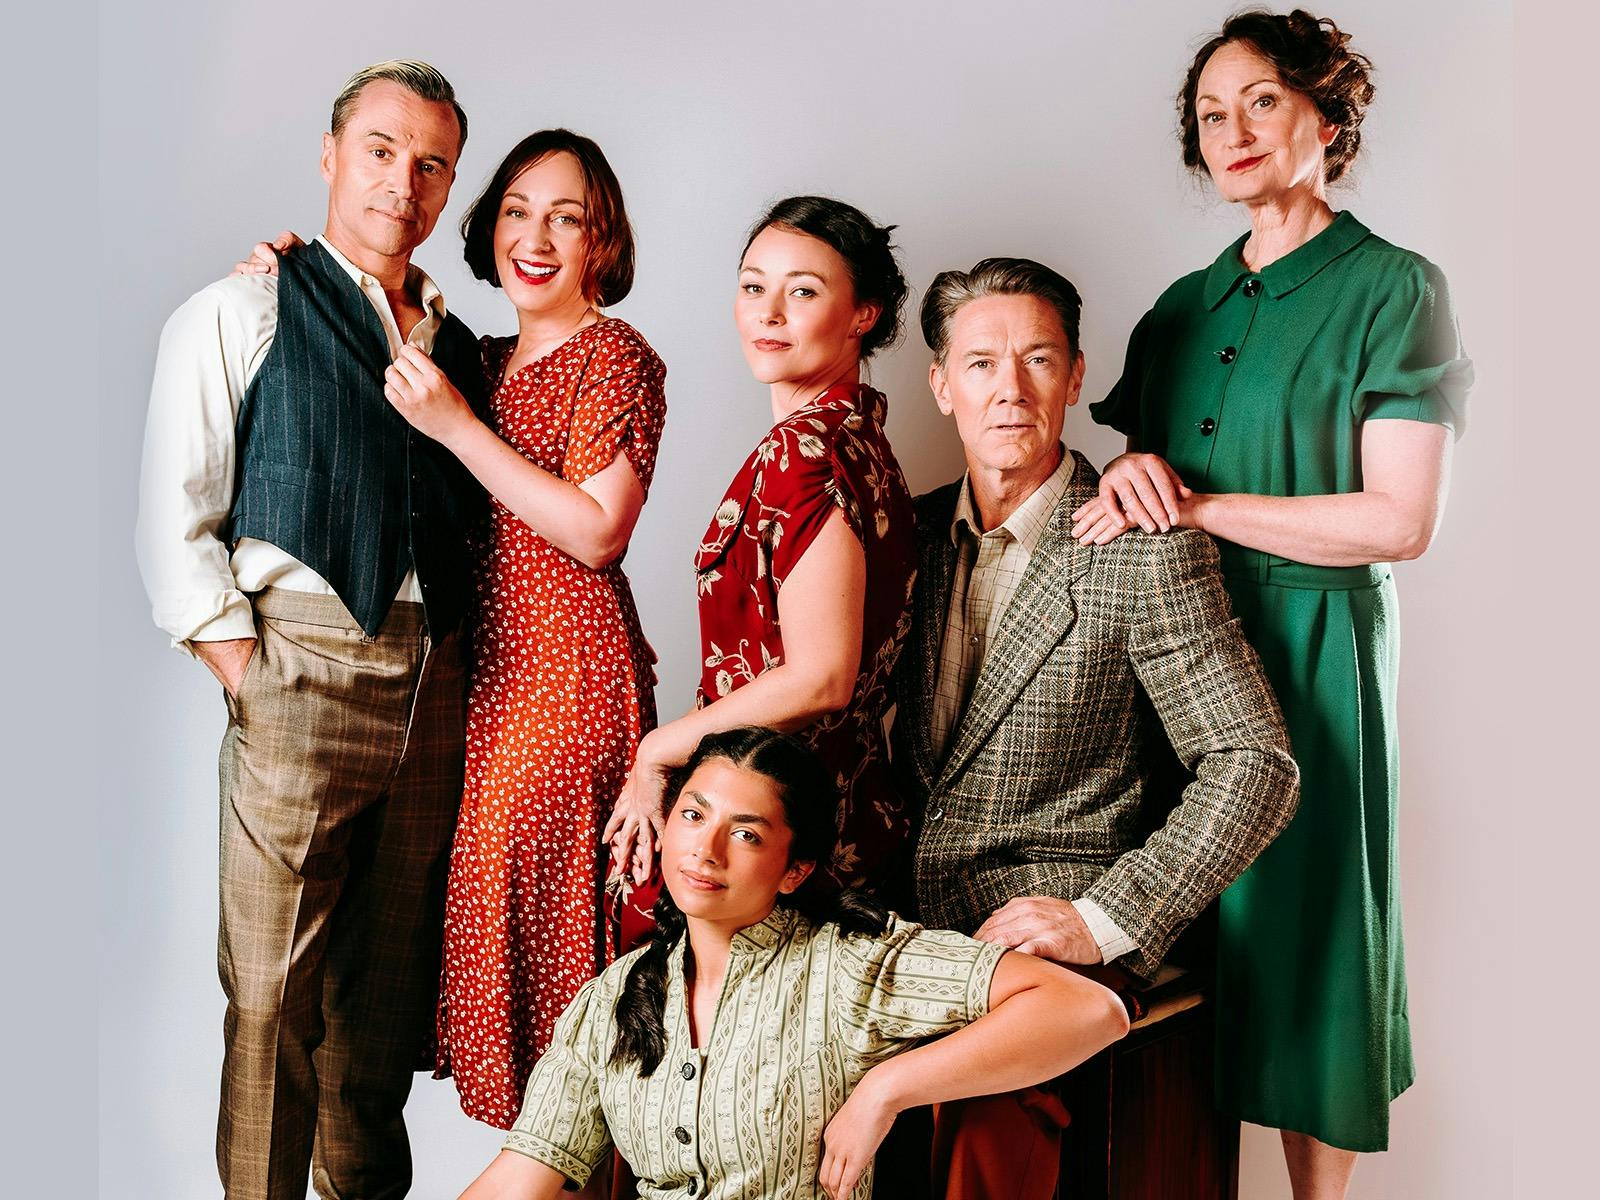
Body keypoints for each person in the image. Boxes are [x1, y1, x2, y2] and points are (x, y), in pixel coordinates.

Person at [1079, 11, 1472, 1197]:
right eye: (1210, 115)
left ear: (1326, 116)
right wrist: (1137, 486)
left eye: (1259, 101)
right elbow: (1122, 494)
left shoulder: (1394, 288)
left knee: (1310, 949)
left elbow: (1397, 522)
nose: (1232, 132)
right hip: (1171, 648)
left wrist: (1197, 509)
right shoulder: (1177, 310)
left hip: (1313, 646)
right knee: (1179, 936)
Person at [234, 129, 668, 1130]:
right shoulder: (481, 355)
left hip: (566, 678)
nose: (537, 235)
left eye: (569, 217)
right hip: (479, 680)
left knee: (556, 941)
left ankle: (578, 1164)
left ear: (604, 243)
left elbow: (599, 533)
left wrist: (457, 429)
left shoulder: (616, 357)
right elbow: (371, 332)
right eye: (517, 210)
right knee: (485, 931)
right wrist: (292, 276)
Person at [135, 61, 485, 1199]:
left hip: (434, 689)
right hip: (298, 665)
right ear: (331, 157)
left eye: (431, 162)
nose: (405, 181)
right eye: (382, 150)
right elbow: (173, 518)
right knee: (272, 1004)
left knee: (378, 1014)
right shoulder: (242, 306)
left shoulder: (462, 342)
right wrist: (246, 666)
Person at [897, 256, 1301, 1199]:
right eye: (983, 363)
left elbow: (1256, 763)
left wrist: (1104, 919)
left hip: (1051, 942)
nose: (1011, 390)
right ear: (941, 383)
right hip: (904, 925)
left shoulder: (1140, 544)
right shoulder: (904, 537)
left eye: (1038, 361)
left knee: (987, 1114)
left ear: (1077, 377)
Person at [461, 727, 1132, 1200]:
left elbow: (1089, 1009)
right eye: (693, 815)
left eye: (746, 833)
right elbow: (521, 1177)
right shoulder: (612, 999)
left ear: (795, 870)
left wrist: (886, 1089)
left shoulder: (846, 968)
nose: (707, 848)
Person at [604, 196, 916, 927]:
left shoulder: (802, 453)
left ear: (863, 312)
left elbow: (821, 675)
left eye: (803, 291)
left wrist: (656, 750)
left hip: (773, 830)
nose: (768, 312)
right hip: (845, 805)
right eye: (753, 286)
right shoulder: (866, 440)